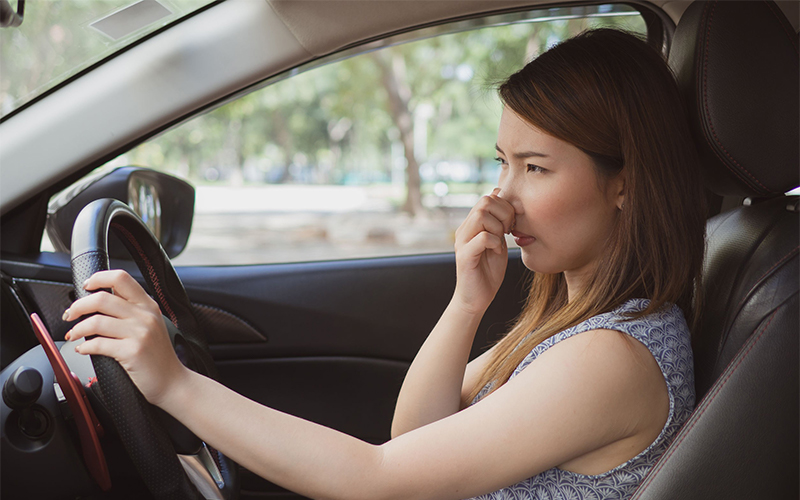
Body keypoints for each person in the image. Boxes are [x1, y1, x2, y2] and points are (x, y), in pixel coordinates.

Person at [62, 28, 707, 499]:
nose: (500, 198)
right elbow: (412, 437)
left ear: (624, 182)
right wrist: (466, 304)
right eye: (500, 162)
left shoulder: (612, 356)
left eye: (535, 168)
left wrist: (176, 384)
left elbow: (382, 480)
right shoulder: (573, 319)